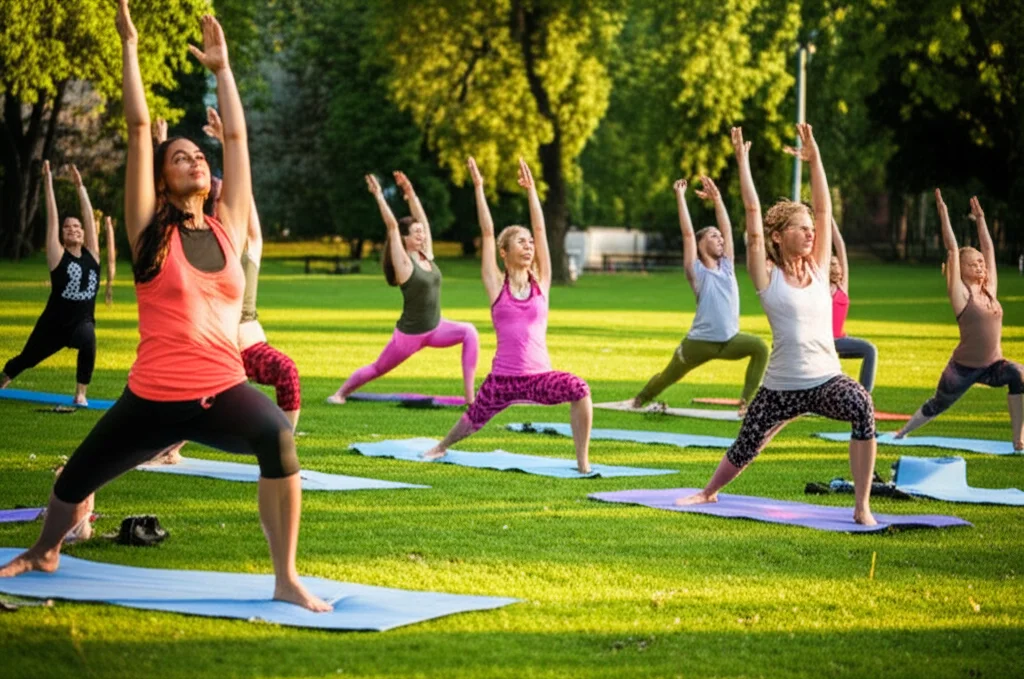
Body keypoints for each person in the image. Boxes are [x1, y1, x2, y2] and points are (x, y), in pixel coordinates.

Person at [0, 2, 331, 612]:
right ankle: (48, 549)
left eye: (196, 156)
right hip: (152, 397)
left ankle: (285, 577)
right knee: (75, 480)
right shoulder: (148, 229)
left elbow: (235, 137)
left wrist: (224, 69)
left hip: (221, 388)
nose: (194, 160)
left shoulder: (229, 224)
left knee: (279, 440)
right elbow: (135, 127)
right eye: (179, 157)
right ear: (161, 174)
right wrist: (129, 47)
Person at [676, 124, 878, 526]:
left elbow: (823, 209)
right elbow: (752, 216)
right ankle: (708, 492)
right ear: (778, 236)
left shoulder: (820, 267)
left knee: (861, 406)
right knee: (747, 445)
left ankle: (861, 506)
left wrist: (815, 157)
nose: (810, 233)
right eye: (800, 229)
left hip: (825, 380)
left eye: (811, 230)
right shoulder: (767, 275)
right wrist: (742, 162)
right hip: (781, 385)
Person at [423, 158, 593, 473]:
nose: (529, 247)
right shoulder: (495, 285)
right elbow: (487, 233)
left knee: (580, 389)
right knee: (472, 420)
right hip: (503, 379)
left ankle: (582, 463)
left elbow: (540, 229)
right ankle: (440, 446)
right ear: (505, 252)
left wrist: (531, 192)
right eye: (520, 242)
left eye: (530, 243)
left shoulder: (541, 282)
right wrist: (478, 188)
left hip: (539, 378)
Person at [327, 171, 479, 405]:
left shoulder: (425, 255)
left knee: (470, 332)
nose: (422, 235)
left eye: (421, 232)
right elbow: (391, 226)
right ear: (405, 238)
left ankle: (471, 399)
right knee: (378, 368)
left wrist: (410, 193)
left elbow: (424, 221)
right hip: (410, 335)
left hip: (436, 327)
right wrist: (379, 195)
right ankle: (340, 393)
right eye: (416, 233)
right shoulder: (404, 263)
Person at [896, 192, 1023, 449]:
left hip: (992, 365)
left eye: (981, 264)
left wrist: (981, 219)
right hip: (963, 368)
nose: (980, 266)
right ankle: (902, 432)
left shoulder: (989, 290)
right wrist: (943, 213)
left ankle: (1019, 439)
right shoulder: (961, 295)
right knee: (938, 404)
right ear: (961, 269)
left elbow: (988, 249)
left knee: (1018, 374)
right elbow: (952, 249)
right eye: (973, 264)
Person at [632, 175, 768, 415]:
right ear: (701, 243)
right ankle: (639, 399)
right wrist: (680, 197)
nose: (720, 239)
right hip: (699, 344)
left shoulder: (727, 267)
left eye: (720, 237)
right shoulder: (696, 271)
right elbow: (687, 235)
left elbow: (726, 227)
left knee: (759, 347)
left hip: (728, 341)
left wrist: (717, 199)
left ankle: (746, 404)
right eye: (713, 236)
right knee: (667, 377)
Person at [1, 162, 101, 406]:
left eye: (77, 227)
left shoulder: (93, 256)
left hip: (81, 323)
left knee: (89, 342)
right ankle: (2, 380)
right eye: (68, 228)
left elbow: (89, 217)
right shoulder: (58, 257)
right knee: (26, 360)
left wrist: (80, 187)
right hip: (53, 325)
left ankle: (80, 394)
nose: (74, 230)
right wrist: (48, 182)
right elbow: (53, 220)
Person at [829, 218, 878, 392]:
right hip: (824, 341)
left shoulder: (843, 286)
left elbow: (840, 246)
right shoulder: (818, 288)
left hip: (840, 340)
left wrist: (830, 218)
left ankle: (865, 395)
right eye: (831, 264)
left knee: (870, 350)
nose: (835, 266)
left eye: (837, 263)